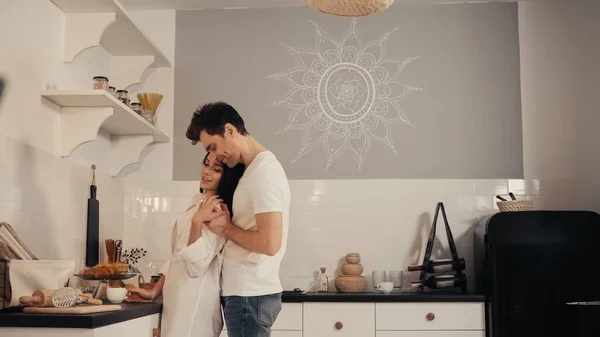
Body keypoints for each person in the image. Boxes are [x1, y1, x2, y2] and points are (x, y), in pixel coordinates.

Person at [185, 102, 291, 337]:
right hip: (245, 295)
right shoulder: (252, 171)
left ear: (231, 131)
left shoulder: (265, 173)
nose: (213, 156)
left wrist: (227, 229)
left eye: (213, 147)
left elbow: (269, 244)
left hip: (249, 295)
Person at [126, 152, 244, 337]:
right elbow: (178, 256)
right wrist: (156, 290)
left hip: (194, 304)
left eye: (216, 169)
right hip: (177, 298)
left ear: (227, 176)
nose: (206, 172)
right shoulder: (199, 203)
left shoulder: (217, 211)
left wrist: (198, 222)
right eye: (206, 164)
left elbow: (196, 266)